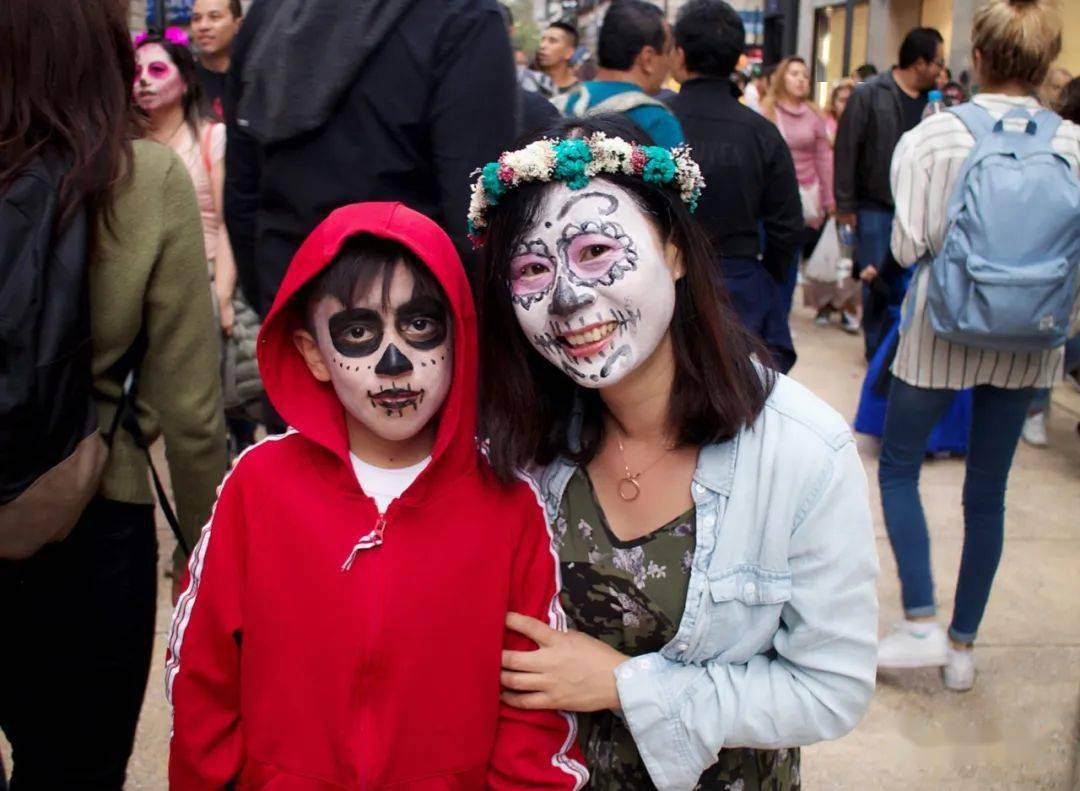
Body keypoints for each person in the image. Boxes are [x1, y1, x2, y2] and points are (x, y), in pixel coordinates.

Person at [470, 113, 878, 790]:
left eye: (598, 251)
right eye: (535, 268)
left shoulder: (802, 450)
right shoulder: (518, 444)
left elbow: (830, 688)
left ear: (676, 251)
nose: (569, 297)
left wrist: (627, 686)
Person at [168, 202, 589, 789]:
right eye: (359, 333)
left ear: (460, 334)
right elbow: (202, 673)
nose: (394, 364)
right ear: (314, 353)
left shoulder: (510, 504)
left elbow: (534, 707)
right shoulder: (258, 486)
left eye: (420, 325)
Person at [0, 0, 227, 785]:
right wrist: (202, 552)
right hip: (96, 513)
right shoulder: (146, 176)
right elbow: (194, 409)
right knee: (75, 768)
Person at [878, 0, 1080, 691]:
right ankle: (963, 646)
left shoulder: (936, 137)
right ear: (1047, 62)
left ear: (979, 55)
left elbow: (908, 246)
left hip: (943, 327)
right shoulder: (1073, 146)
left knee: (900, 466)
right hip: (1032, 337)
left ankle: (919, 619)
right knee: (987, 492)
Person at [223, 0, 517, 319]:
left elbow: (242, 193)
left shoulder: (269, 15)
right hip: (418, 326)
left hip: (296, 312)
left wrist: (274, 310)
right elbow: (480, 215)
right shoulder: (463, 14)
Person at [135, 30, 259, 464]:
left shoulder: (211, 138)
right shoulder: (124, 147)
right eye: (136, 73)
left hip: (200, 282)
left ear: (184, 81)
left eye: (156, 70)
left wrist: (222, 296)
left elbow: (228, 221)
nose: (143, 81)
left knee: (199, 413)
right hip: (137, 292)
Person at [669, 0, 802, 372]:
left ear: (679, 54)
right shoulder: (761, 132)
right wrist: (766, 277)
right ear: (738, 57)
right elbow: (787, 225)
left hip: (666, 283)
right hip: (740, 287)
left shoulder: (656, 124)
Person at [835, 26, 944, 359]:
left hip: (921, 208)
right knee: (876, 283)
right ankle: (876, 353)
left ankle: (902, 351)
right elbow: (847, 148)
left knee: (910, 283)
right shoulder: (870, 92)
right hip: (876, 206)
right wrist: (845, 204)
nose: (942, 70)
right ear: (920, 62)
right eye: (938, 63)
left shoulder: (935, 104)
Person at [554, 0, 685, 149]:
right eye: (668, 51)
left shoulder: (559, 106)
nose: (670, 61)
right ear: (647, 58)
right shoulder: (656, 122)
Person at [762, 56, 835, 317]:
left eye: (804, 74)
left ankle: (781, 314)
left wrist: (829, 199)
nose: (801, 79)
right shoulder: (768, 110)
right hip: (770, 198)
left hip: (805, 196)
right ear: (782, 77)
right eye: (794, 74)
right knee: (767, 257)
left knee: (791, 259)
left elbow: (824, 158)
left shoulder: (815, 115)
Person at [190, 0, 243, 120]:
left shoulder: (254, 79)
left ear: (238, 24)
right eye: (196, 18)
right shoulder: (184, 81)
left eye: (214, 17)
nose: (203, 26)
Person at [537, 21, 582, 94]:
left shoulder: (580, 94)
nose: (542, 46)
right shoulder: (528, 88)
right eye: (542, 40)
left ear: (569, 53)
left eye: (552, 41)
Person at [825, 77, 855, 143]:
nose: (847, 105)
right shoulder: (825, 125)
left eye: (850, 100)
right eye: (842, 100)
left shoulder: (859, 124)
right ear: (833, 103)